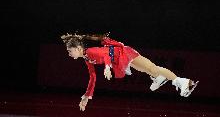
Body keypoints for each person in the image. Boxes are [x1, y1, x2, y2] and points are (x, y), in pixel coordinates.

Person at [60, 33, 199, 111]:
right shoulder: (87, 58)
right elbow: (92, 77)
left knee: (153, 69)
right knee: (151, 70)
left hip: (124, 54)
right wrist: (86, 96)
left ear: (78, 48)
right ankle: (160, 79)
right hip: (121, 60)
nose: (69, 54)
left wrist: (107, 67)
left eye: (70, 51)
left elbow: (107, 54)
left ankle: (186, 83)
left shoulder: (90, 52)